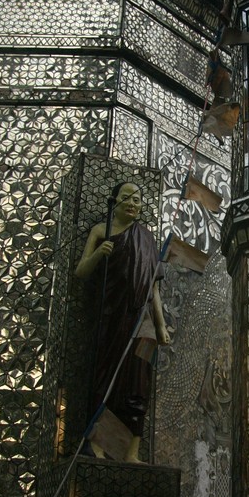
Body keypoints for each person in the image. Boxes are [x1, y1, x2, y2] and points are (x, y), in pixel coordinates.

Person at [75, 182, 170, 462]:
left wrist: (161, 325)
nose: (132, 203)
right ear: (114, 201)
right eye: (126, 197)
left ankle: (132, 451)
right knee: (105, 378)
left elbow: (153, 288)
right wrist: (97, 255)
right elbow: (81, 272)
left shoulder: (146, 238)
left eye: (137, 199)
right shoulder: (100, 231)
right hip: (109, 319)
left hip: (142, 324)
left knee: (139, 383)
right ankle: (98, 447)